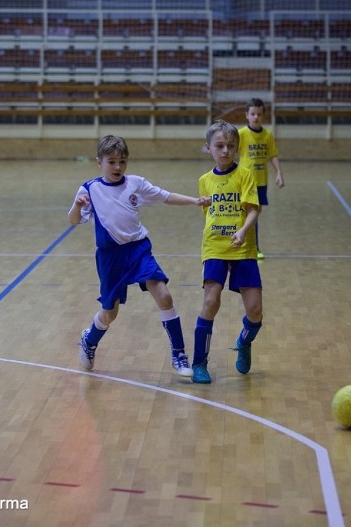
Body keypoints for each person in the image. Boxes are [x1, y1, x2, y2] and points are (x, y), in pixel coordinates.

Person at [69, 135, 209, 376]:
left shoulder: (135, 183)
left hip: (138, 250)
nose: (117, 167)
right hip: (110, 258)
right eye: (111, 162)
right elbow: (73, 220)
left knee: (164, 296)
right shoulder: (90, 189)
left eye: (122, 161)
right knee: (110, 312)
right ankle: (89, 340)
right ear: (99, 162)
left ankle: (179, 354)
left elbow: (165, 196)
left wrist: (194, 200)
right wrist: (77, 207)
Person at [192, 120, 263, 384]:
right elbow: (207, 213)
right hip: (214, 247)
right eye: (219, 146)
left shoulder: (245, 175)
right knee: (211, 301)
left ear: (237, 148)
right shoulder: (204, 181)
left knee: (255, 311)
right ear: (208, 147)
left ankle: (244, 341)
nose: (225, 151)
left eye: (230, 146)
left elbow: (254, 209)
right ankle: (199, 363)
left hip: (243, 246)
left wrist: (243, 231)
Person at [237, 98, 284, 259]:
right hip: (246, 182)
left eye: (259, 114)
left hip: (261, 182)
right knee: (249, 214)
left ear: (263, 115)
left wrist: (278, 173)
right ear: (247, 115)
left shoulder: (267, 135)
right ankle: (250, 247)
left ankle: (252, 246)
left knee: (254, 215)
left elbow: (273, 155)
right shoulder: (242, 134)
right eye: (252, 114)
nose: (256, 117)